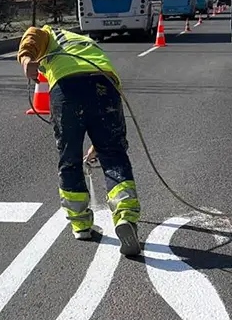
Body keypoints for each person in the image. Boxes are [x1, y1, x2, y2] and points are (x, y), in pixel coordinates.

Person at [17, 24, 142, 256]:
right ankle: (125, 215)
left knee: (70, 158)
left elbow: (33, 34)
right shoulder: (87, 44)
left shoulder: (52, 33)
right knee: (114, 154)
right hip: (105, 83)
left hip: (68, 88)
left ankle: (81, 224)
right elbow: (111, 124)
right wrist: (98, 145)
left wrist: (26, 59)